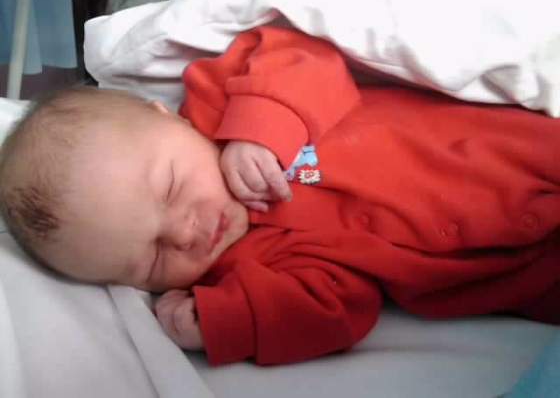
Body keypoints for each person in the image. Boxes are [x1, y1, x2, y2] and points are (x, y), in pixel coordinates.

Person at [1, 26, 559, 366]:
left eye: (171, 188)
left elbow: (301, 50)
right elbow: (340, 309)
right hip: (519, 275)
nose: (186, 233)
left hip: (515, 152)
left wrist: (260, 126)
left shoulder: (220, 105)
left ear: (166, 118)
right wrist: (230, 320)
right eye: (151, 260)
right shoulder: (244, 271)